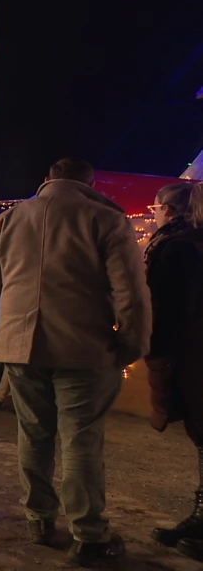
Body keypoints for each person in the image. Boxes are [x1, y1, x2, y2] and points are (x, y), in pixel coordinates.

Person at [0, 158, 150, 565]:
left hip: (20, 345)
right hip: (83, 346)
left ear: (47, 180)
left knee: (34, 434)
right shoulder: (105, 218)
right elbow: (130, 291)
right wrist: (132, 342)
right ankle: (89, 534)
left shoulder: (7, 219)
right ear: (89, 183)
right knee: (81, 438)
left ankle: (38, 520)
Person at [143, 182, 203, 558]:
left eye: (155, 208)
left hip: (192, 352)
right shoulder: (187, 242)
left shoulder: (176, 246)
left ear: (166, 208)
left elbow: (168, 307)